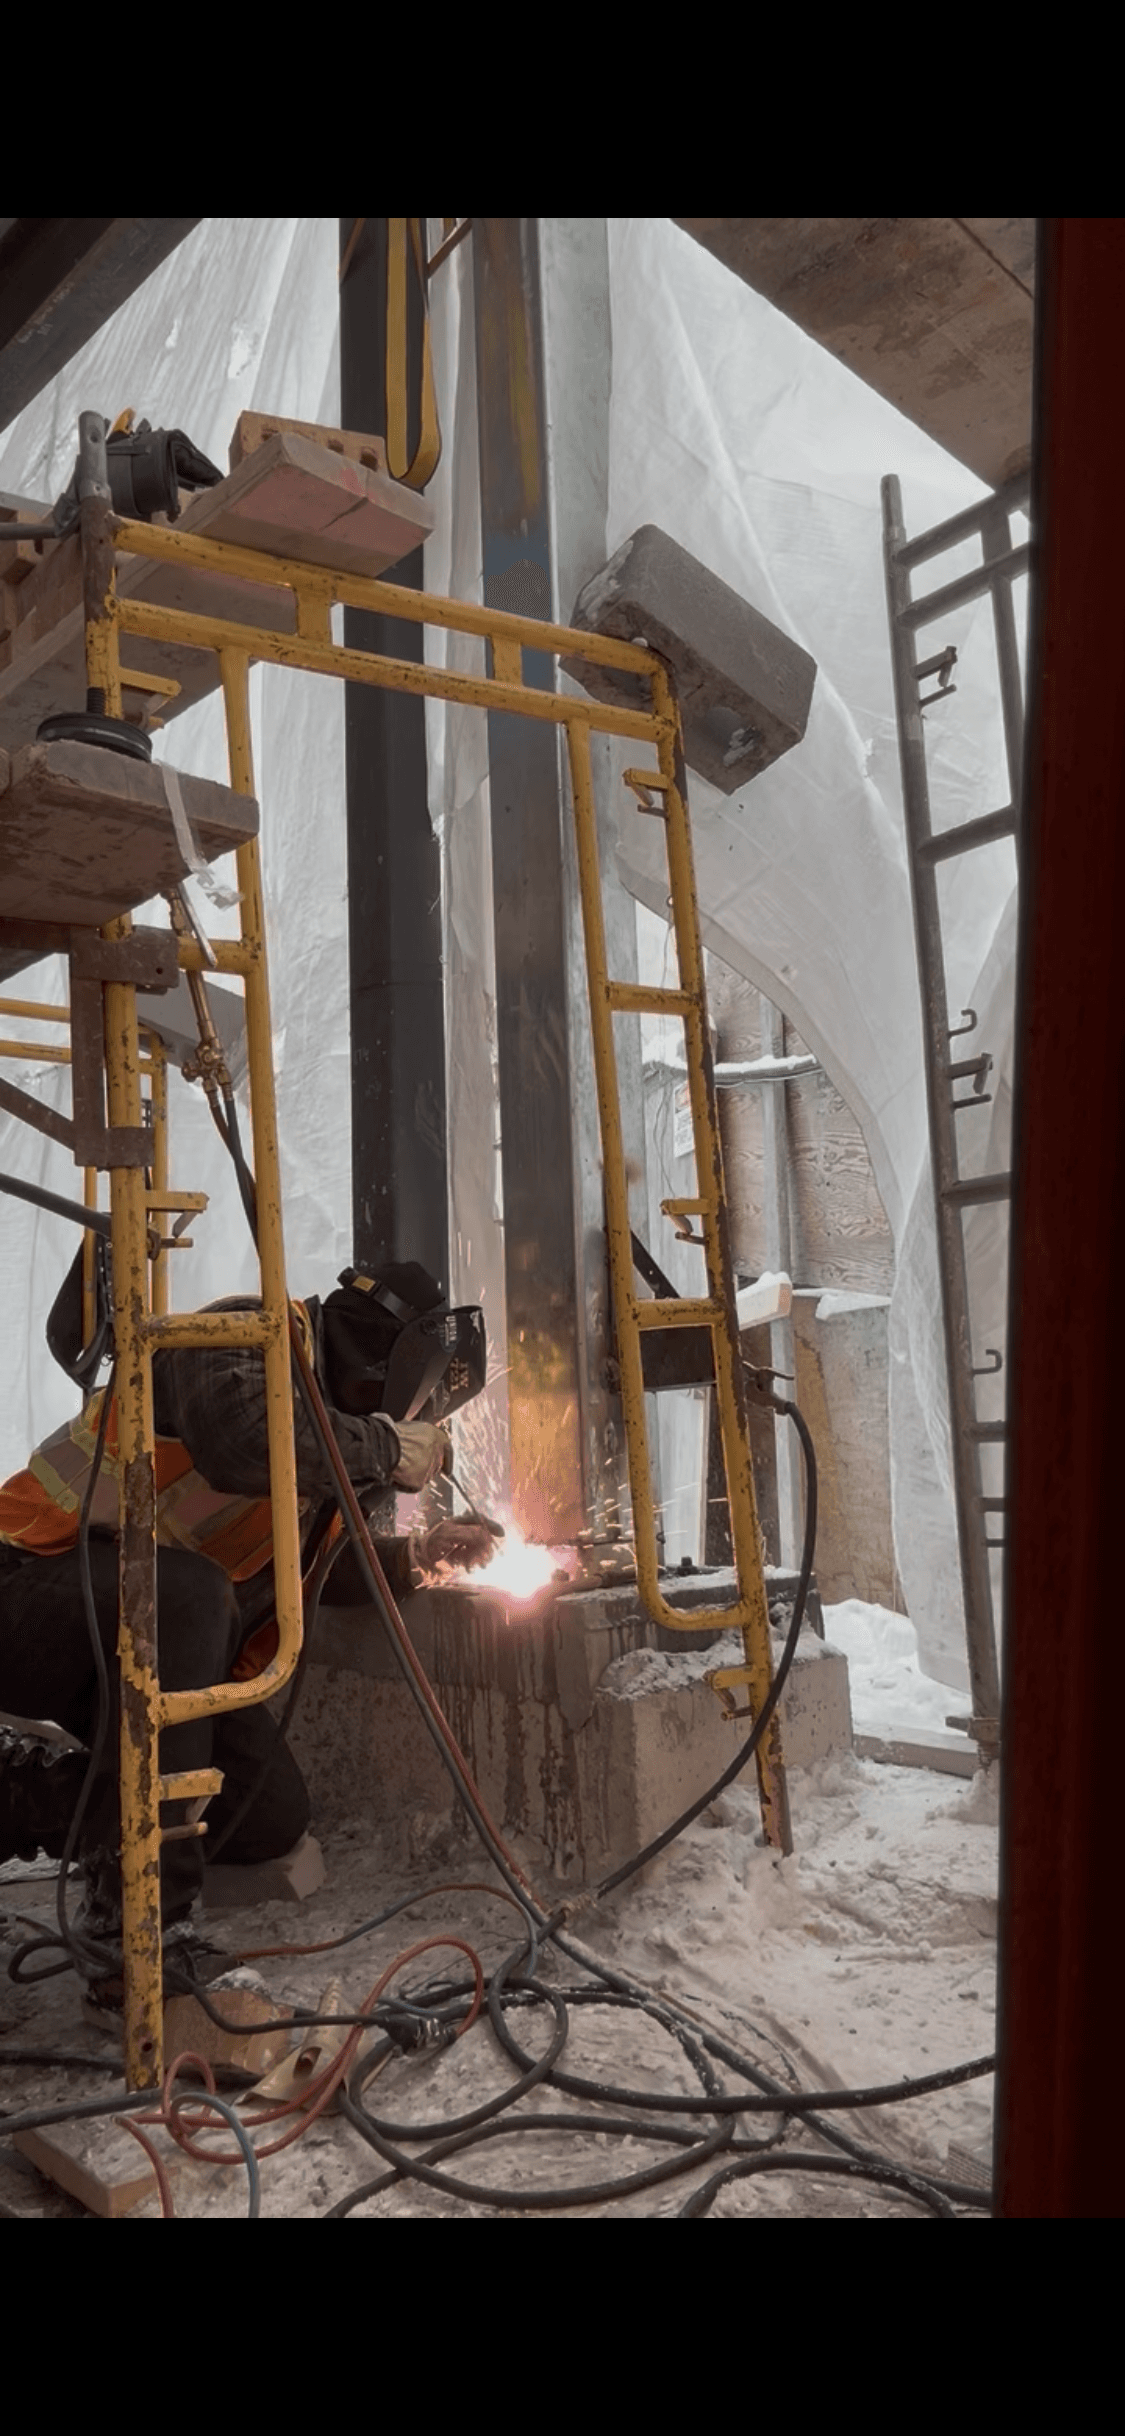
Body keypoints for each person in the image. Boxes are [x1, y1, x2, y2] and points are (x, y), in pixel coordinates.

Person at [0, 1262, 494, 2002]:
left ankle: (25, 1799)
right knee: (189, 1593)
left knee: (266, 1814)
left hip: (132, 1645)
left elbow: (309, 1573)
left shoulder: (327, 1442)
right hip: (24, 1588)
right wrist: (384, 1450)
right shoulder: (235, 1335)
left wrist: (418, 1559)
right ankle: (145, 1943)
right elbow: (238, 1443)